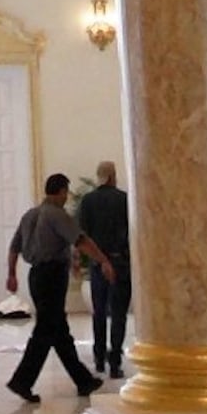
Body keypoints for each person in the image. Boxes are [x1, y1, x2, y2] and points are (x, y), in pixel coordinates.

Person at [1, 172, 103, 404]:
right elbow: (81, 240)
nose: (67, 197)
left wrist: (11, 274)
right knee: (46, 329)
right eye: (66, 192)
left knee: (58, 330)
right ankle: (22, 381)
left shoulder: (29, 215)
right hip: (52, 276)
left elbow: (14, 247)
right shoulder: (56, 215)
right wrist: (103, 260)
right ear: (60, 192)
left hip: (35, 276)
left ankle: (83, 380)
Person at [76, 160, 131, 378]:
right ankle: (115, 361)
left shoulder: (88, 201)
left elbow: (83, 234)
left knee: (99, 313)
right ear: (112, 176)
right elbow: (130, 231)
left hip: (97, 264)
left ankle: (99, 358)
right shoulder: (123, 200)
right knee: (118, 314)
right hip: (120, 264)